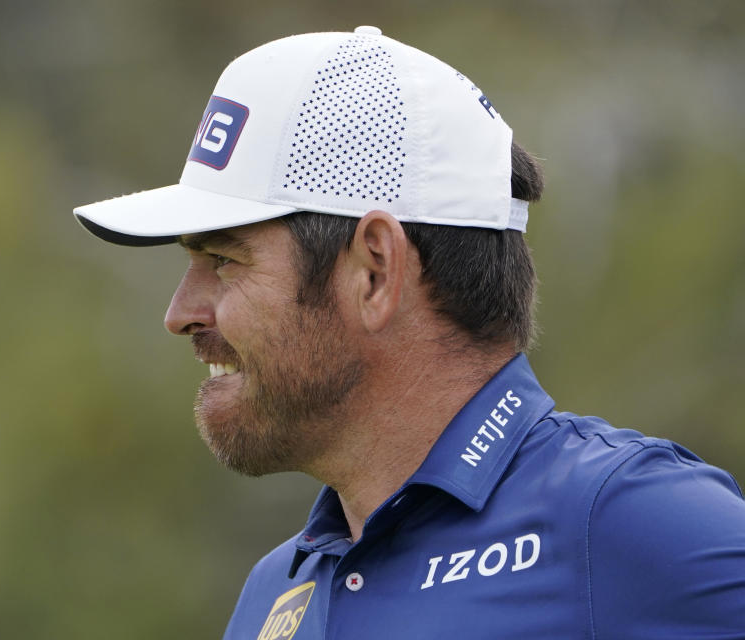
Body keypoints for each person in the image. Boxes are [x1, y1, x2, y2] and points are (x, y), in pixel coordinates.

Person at [72, 27, 745, 638]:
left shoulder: (628, 522)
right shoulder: (275, 593)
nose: (180, 312)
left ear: (374, 271)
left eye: (224, 260)